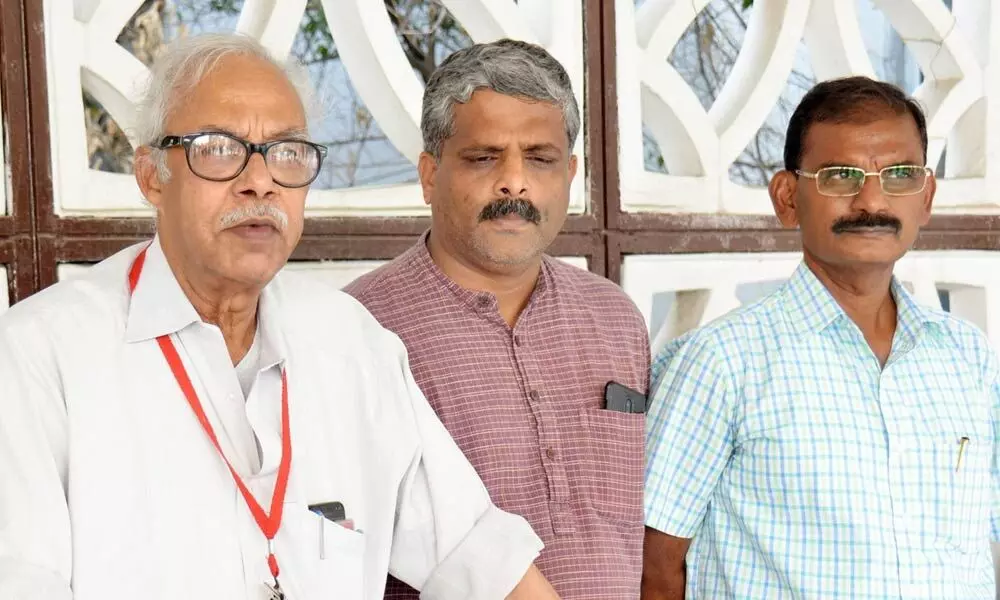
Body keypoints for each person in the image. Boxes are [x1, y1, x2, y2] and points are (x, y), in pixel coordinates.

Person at [0, 33, 562, 600]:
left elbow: (477, 555)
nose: (261, 180)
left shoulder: (351, 341)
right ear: (151, 176)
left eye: (287, 152)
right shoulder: (40, 357)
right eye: (219, 149)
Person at [641, 75, 1000, 599]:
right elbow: (655, 562)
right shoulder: (722, 362)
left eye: (899, 174)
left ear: (926, 198)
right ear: (787, 198)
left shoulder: (969, 357)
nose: (871, 200)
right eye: (839, 176)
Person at [344, 39, 650, 600]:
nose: (515, 182)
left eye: (540, 157)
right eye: (485, 157)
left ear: (572, 173)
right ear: (430, 173)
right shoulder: (360, 326)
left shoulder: (615, 318)